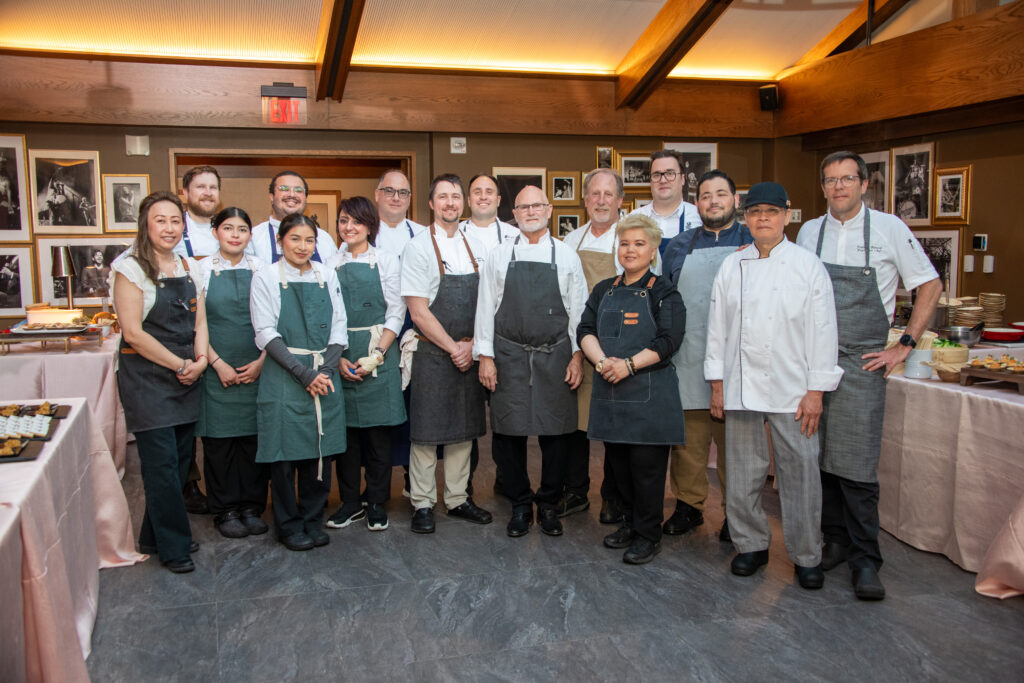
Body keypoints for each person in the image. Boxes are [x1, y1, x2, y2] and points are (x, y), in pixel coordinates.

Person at [797, 151, 941, 600]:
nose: (838, 187)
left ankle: (865, 559)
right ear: (822, 188)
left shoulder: (890, 229)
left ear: (863, 184)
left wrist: (905, 345)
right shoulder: (808, 232)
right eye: (830, 180)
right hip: (812, 362)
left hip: (863, 361)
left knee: (856, 464)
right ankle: (834, 541)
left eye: (847, 179)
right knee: (818, 459)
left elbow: (930, 285)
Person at [705, 182, 843, 590]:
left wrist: (816, 390)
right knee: (744, 472)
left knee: (800, 475)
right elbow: (717, 329)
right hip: (742, 386)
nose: (762, 218)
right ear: (744, 218)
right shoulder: (732, 266)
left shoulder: (807, 265)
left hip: (794, 390)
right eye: (754, 211)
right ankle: (750, 545)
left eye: (770, 211)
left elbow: (824, 331)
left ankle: (806, 555)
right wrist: (718, 384)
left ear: (786, 215)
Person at [475, 185, 587, 537]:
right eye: (523, 207)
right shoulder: (497, 255)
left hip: (556, 353)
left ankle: (549, 504)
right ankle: (520, 504)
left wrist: (578, 356)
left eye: (537, 205)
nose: (531, 211)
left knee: (557, 434)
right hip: (508, 354)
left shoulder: (567, 255)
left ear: (549, 209)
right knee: (509, 433)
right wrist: (486, 357)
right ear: (515, 213)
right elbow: (484, 308)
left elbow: (579, 312)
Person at [578, 214, 685, 563]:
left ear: (653, 250)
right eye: (624, 243)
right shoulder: (603, 289)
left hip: (650, 395)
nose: (630, 250)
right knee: (619, 469)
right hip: (612, 392)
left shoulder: (665, 291)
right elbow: (584, 329)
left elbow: (669, 340)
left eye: (639, 244)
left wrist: (628, 365)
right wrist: (602, 362)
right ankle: (628, 524)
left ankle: (647, 535)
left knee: (647, 472)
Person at [112, 191, 209, 573]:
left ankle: (153, 535)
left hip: (186, 374)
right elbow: (133, 333)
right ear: (145, 225)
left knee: (182, 460)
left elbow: (201, 321)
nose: (169, 228)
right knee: (161, 465)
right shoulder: (129, 268)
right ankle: (174, 547)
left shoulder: (189, 265)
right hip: (147, 378)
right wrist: (180, 364)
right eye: (160, 220)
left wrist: (200, 361)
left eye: (175, 220)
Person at [660, 170, 752, 541]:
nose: (713, 201)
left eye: (721, 194)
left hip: (741, 359)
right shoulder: (680, 245)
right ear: (696, 204)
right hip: (690, 355)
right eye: (706, 196)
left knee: (737, 445)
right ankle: (689, 506)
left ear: (735, 200)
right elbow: (666, 299)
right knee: (688, 443)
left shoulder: (752, 240)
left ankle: (737, 515)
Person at [250, 214, 348, 551]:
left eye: (309, 240)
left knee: (319, 452)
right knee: (283, 456)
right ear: (280, 241)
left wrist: (327, 371)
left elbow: (339, 326)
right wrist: (305, 374)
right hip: (284, 375)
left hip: (324, 373)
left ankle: (312, 518)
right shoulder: (265, 276)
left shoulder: (326, 274)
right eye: (295, 239)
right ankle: (288, 524)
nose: (303, 247)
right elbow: (265, 332)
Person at [400, 173, 492, 533]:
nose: (450, 203)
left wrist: (473, 346)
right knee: (426, 432)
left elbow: (488, 303)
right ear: (431, 204)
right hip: (432, 352)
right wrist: (455, 347)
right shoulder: (419, 247)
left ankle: (457, 498)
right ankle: (422, 503)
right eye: (443, 197)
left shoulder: (476, 247)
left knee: (463, 430)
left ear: (463, 203)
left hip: (469, 350)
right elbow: (419, 311)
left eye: (456, 196)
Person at [325, 196, 407, 533]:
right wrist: (339, 358)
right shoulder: (329, 264)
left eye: (356, 221)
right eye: (344, 221)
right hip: (341, 351)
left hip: (379, 350)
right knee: (346, 438)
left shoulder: (386, 260)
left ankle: (375, 501)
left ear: (370, 225)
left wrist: (378, 353)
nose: (349, 227)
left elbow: (397, 309)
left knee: (377, 435)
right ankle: (348, 503)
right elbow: (326, 314)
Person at [193, 207, 270, 540]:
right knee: (220, 445)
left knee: (254, 442)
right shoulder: (199, 271)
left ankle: (252, 507)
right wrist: (217, 362)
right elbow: (196, 325)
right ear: (215, 233)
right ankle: (224, 509)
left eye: (242, 229)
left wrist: (263, 361)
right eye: (228, 228)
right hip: (216, 368)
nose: (236, 234)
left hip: (257, 366)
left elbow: (275, 320)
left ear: (250, 235)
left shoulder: (264, 270)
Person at [559, 168, 625, 524]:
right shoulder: (571, 242)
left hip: (618, 345)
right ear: (585, 200)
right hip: (578, 342)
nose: (601, 201)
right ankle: (575, 492)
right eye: (594, 194)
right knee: (575, 426)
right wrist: (573, 347)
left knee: (614, 426)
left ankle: (613, 497)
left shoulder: (630, 238)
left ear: (619, 201)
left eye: (608, 195)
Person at [628, 150, 701, 262]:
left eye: (670, 173)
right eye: (656, 175)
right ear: (650, 182)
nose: (663, 180)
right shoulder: (634, 218)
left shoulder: (698, 217)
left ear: (682, 179)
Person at [251, 171, 338, 264]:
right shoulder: (254, 237)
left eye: (298, 190)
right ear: (271, 197)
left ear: (305, 198)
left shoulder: (323, 238)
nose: (292, 195)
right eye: (284, 189)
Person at [173, 165, 233, 259]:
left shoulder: (233, 230)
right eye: (201, 187)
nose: (208, 193)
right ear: (186, 193)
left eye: (213, 187)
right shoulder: (172, 230)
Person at [459, 173, 519, 253]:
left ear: (498, 200)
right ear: (469, 201)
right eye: (477, 192)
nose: (483, 197)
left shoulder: (516, 236)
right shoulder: (454, 234)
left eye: (489, 192)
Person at [374, 169, 427, 257]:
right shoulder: (360, 235)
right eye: (389, 191)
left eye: (403, 193)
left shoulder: (424, 235)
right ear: (377, 195)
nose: (396, 198)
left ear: (409, 199)